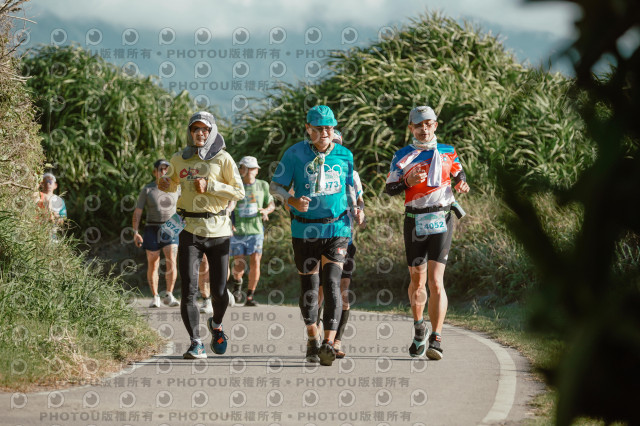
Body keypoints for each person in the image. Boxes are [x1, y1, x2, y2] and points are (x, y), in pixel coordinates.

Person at [270, 105, 363, 366]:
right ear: (308, 129)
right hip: (305, 230)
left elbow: (349, 187)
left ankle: (329, 343)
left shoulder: (345, 155)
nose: (325, 133)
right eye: (319, 128)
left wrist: (357, 208)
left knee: (332, 283)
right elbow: (275, 186)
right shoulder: (294, 154)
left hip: (337, 228)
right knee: (310, 287)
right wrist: (291, 200)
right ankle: (313, 336)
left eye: (329, 128)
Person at [384, 106, 470, 360]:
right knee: (417, 281)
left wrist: (461, 183)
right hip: (414, 220)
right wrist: (407, 182)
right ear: (411, 128)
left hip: (442, 217)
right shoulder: (402, 155)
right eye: (419, 125)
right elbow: (390, 188)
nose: (424, 129)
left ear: (435, 125)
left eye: (428, 124)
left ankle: (437, 337)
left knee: (435, 281)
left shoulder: (448, 151)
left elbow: (459, 172)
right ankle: (419, 327)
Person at [158, 111, 245, 359]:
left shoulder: (223, 159)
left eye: (204, 129)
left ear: (211, 132)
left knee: (219, 291)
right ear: (190, 132)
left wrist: (211, 186)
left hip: (219, 231)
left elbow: (239, 192)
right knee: (189, 290)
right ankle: (196, 342)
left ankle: (216, 324)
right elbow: (171, 183)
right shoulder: (179, 159)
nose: (200, 133)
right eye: (195, 129)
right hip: (189, 229)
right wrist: (165, 184)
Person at [316, 131, 366, 358]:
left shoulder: (351, 173)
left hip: (345, 238)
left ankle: (336, 341)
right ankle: (316, 337)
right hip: (319, 238)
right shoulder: (315, 169)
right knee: (320, 291)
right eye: (330, 143)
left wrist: (360, 211)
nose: (333, 147)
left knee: (342, 291)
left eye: (337, 144)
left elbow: (360, 199)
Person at [132, 159, 180, 308]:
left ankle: (169, 294)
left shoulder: (177, 188)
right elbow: (138, 212)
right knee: (153, 262)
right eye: (161, 169)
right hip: (152, 227)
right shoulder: (148, 189)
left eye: (167, 169)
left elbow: (185, 207)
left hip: (172, 226)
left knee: (172, 259)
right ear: (155, 172)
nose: (164, 172)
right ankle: (155, 296)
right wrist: (135, 232)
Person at [228, 156, 275, 306]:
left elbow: (271, 204)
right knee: (239, 264)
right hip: (238, 231)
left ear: (257, 170)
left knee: (255, 261)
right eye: (245, 168)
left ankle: (249, 296)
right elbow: (229, 206)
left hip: (256, 230)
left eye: (252, 168)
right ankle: (237, 285)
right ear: (241, 169)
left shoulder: (263, 185)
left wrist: (266, 210)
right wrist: (230, 223)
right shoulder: (236, 185)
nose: (249, 171)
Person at [37, 172, 67, 240]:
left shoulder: (59, 201)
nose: (48, 184)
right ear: (41, 184)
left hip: (52, 235)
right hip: (36, 232)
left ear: (55, 185)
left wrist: (55, 216)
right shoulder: (37, 195)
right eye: (46, 181)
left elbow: (63, 220)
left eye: (50, 181)